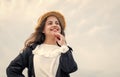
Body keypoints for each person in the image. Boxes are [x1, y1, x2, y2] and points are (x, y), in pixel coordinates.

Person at [6, 11, 78, 77]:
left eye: (57, 23)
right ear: (43, 30)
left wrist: (64, 46)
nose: (55, 25)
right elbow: (12, 70)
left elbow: (70, 68)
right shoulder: (32, 50)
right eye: (50, 23)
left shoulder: (64, 49)